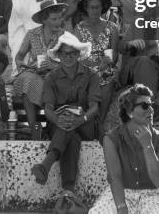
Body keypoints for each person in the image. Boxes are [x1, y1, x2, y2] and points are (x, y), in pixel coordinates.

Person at [30, 32, 100, 195]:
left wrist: (80, 119)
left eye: (72, 53)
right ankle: (68, 191)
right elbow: (48, 108)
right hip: (59, 124)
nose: (68, 57)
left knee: (70, 128)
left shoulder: (92, 75)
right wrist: (59, 120)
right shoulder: (51, 77)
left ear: (78, 54)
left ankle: (46, 165)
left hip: (85, 124)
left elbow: (94, 107)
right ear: (59, 55)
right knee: (71, 137)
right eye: (64, 53)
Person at [89, 84, 159, 214]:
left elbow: (158, 181)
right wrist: (121, 207)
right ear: (129, 112)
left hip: (151, 194)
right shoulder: (111, 139)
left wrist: (148, 146)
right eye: (145, 106)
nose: (151, 110)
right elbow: (115, 177)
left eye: (151, 105)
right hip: (120, 192)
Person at [13, 0, 66, 139]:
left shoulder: (64, 36)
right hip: (35, 73)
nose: (58, 22)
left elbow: (69, 61)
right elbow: (19, 57)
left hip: (56, 74)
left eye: (60, 18)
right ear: (44, 20)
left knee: (45, 83)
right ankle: (34, 127)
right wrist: (21, 64)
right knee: (27, 79)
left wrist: (52, 65)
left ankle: (49, 128)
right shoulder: (32, 34)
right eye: (54, 19)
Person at [74, 0, 119, 132]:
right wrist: (92, 65)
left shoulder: (112, 27)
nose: (95, 10)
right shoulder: (79, 28)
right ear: (86, 9)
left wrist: (108, 60)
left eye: (98, 7)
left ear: (103, 8)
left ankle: (101, 122)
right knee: (89, 76)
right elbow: (77, 55)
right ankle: (89, 122)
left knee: (108, 77)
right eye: (92, 7)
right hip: (85, 67)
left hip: (105, 67)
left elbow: (115, 54)